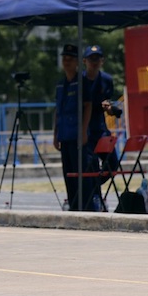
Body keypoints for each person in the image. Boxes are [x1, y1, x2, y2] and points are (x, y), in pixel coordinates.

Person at [52, 44, 94, 211]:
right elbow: (58, 111)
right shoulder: (61, 84)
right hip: (64, 134)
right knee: (68, 174)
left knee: (80, 173)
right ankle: (73, 204)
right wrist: (55, 135)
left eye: (70, 59)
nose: (66, 62)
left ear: (77, 62)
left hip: (78, 135)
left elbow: (88, 106)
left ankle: (85, 206)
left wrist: (83, 131)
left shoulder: (82, 82)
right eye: (64, 59)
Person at [83, 45, 122, 186]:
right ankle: (93, 195)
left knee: (112, 164)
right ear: (84, 61)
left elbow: (109, 105)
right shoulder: (80, 81)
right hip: (85, 130)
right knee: (91, 165)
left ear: (102, 61)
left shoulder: (106, 80)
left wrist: (110, 108)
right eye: (91, 59)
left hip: (100, 129)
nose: (94, 63)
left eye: (97, 59)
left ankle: (95, 187)